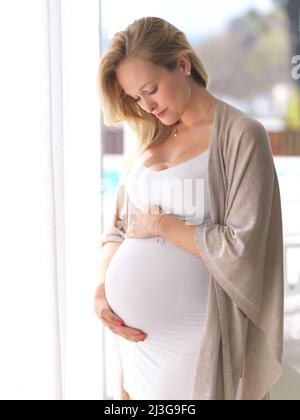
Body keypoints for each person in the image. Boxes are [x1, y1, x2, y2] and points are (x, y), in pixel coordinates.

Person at [94, 16, 284, 400]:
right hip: (137, 345)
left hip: (195, 338)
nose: (146, 106)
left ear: (182, 64)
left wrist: (163, 225)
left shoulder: (242, 136)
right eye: (135, 98)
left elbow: (243, 246)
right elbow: (117, 229)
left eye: (151, 89)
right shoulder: (148, 138)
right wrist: (101, 291)